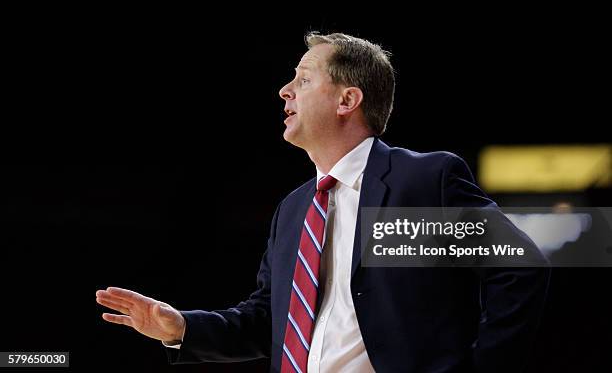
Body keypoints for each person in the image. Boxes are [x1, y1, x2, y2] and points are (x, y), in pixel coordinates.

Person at [96, 32, 550, 372]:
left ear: (347, 100)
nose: (285, 91)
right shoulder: (293, 210)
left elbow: (520, 265)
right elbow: (268, 321)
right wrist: (183, 328)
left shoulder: (421, 181)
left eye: (303, 78)